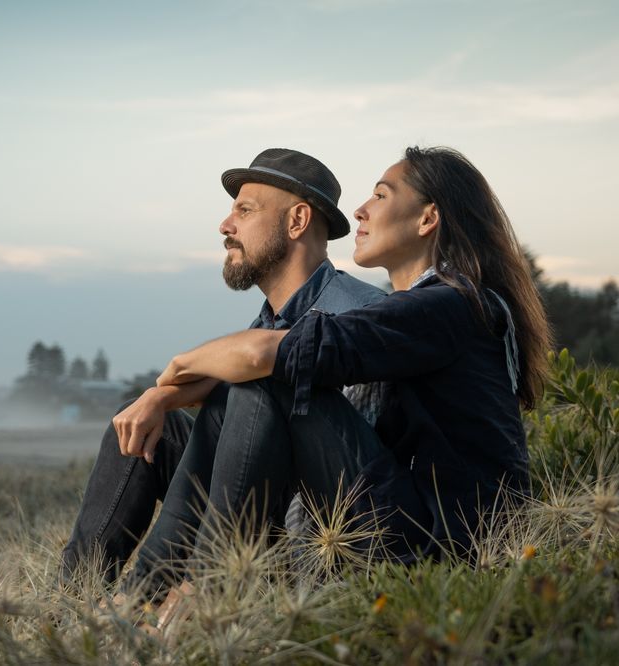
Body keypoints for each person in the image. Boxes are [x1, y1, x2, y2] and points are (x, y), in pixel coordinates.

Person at [133, 146, 550, 596]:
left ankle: (206, 590)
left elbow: (274, 354)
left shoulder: (448, 305)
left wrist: (176, 367)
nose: (360, 210)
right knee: (245, 391)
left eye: (381, 196)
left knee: (272, 382)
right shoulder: (436, 307)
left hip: (440, 551)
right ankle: (150, 593)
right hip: (414, 527)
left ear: (427, 219)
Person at [61, 148, 386, 588]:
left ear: (297, 221)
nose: (225, 226)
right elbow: (227, 378)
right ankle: (72, 603)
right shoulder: (271, 318)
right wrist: (158, 396)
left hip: (313, 536)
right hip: (257, 504)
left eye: (244, 211)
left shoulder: (354, 315)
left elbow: (339, 460)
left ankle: (158, 599)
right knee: (135, 426)